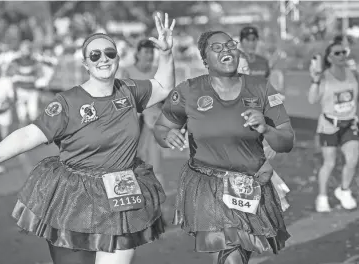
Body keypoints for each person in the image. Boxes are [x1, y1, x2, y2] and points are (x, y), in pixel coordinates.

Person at [0, 13, 175, 264]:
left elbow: (164, 87)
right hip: (76, 196)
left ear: (117, 58)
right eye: (95, 55)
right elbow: (29, 134)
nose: (103, 59)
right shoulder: (68, 103)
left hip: (121, 190)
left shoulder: (130, 90)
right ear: (85, 64)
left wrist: (166, 54)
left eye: (109, 53)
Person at [154, 30, 294, 264]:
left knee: (239, 253)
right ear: (204, 59)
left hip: (249, 184)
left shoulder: (262, 88)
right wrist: (167, 135)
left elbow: (287, 141)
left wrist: (266, 129)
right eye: (217, 48)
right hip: (207, 184)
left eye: (230, 45)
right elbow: (161, 127)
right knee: (232, 255)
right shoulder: (188, 90)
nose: (226, 50)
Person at [308, 41, 359, 213]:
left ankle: (344, 190)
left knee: (353, 159)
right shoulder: (324, 76)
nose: (342, 56)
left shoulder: (352, 73)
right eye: (337, 53)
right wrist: (315, 80)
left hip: (349, 123)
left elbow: (358, 93)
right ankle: (322, 197)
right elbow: (312, 99)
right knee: (329, 163)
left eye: (343, 52)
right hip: (329, 125)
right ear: (330, 58)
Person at [239, 25, 290, 211]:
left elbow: (270, 94)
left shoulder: (262, 62)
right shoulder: (233, 70)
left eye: (254, 39)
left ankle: (267, 207)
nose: (251, 43)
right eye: (247, 39)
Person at [120, 39, 165, 187]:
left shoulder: (158, 72)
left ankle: (156, 194)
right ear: (137, 54)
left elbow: (166, 97)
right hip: (134, 121)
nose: (149, 55)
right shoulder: (127, 71)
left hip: (154, 122)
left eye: (152, 52)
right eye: (146, 52)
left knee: (155, 160)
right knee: (134, 157)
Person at [7, 40, 45, 127]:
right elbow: (10, 74)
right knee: (22, 115)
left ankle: (34, 135)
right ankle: (23, 135)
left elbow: (40, 74)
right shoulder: (15, 61)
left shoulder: (35, 61)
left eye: (28, 49)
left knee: (33, 113)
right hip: (20, 90)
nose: (26, 51)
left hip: (32, 90)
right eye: (24, 49)